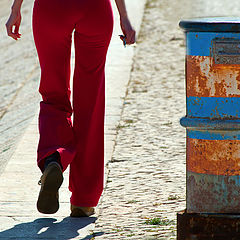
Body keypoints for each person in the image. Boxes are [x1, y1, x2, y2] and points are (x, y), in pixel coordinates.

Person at [5, 0, 136, 217]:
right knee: (91, 102)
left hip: (51, 9)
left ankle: (53, 157)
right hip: (95, 10)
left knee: (53, 92)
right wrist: (124, 16)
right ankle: (84, 200)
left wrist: (15, 9)